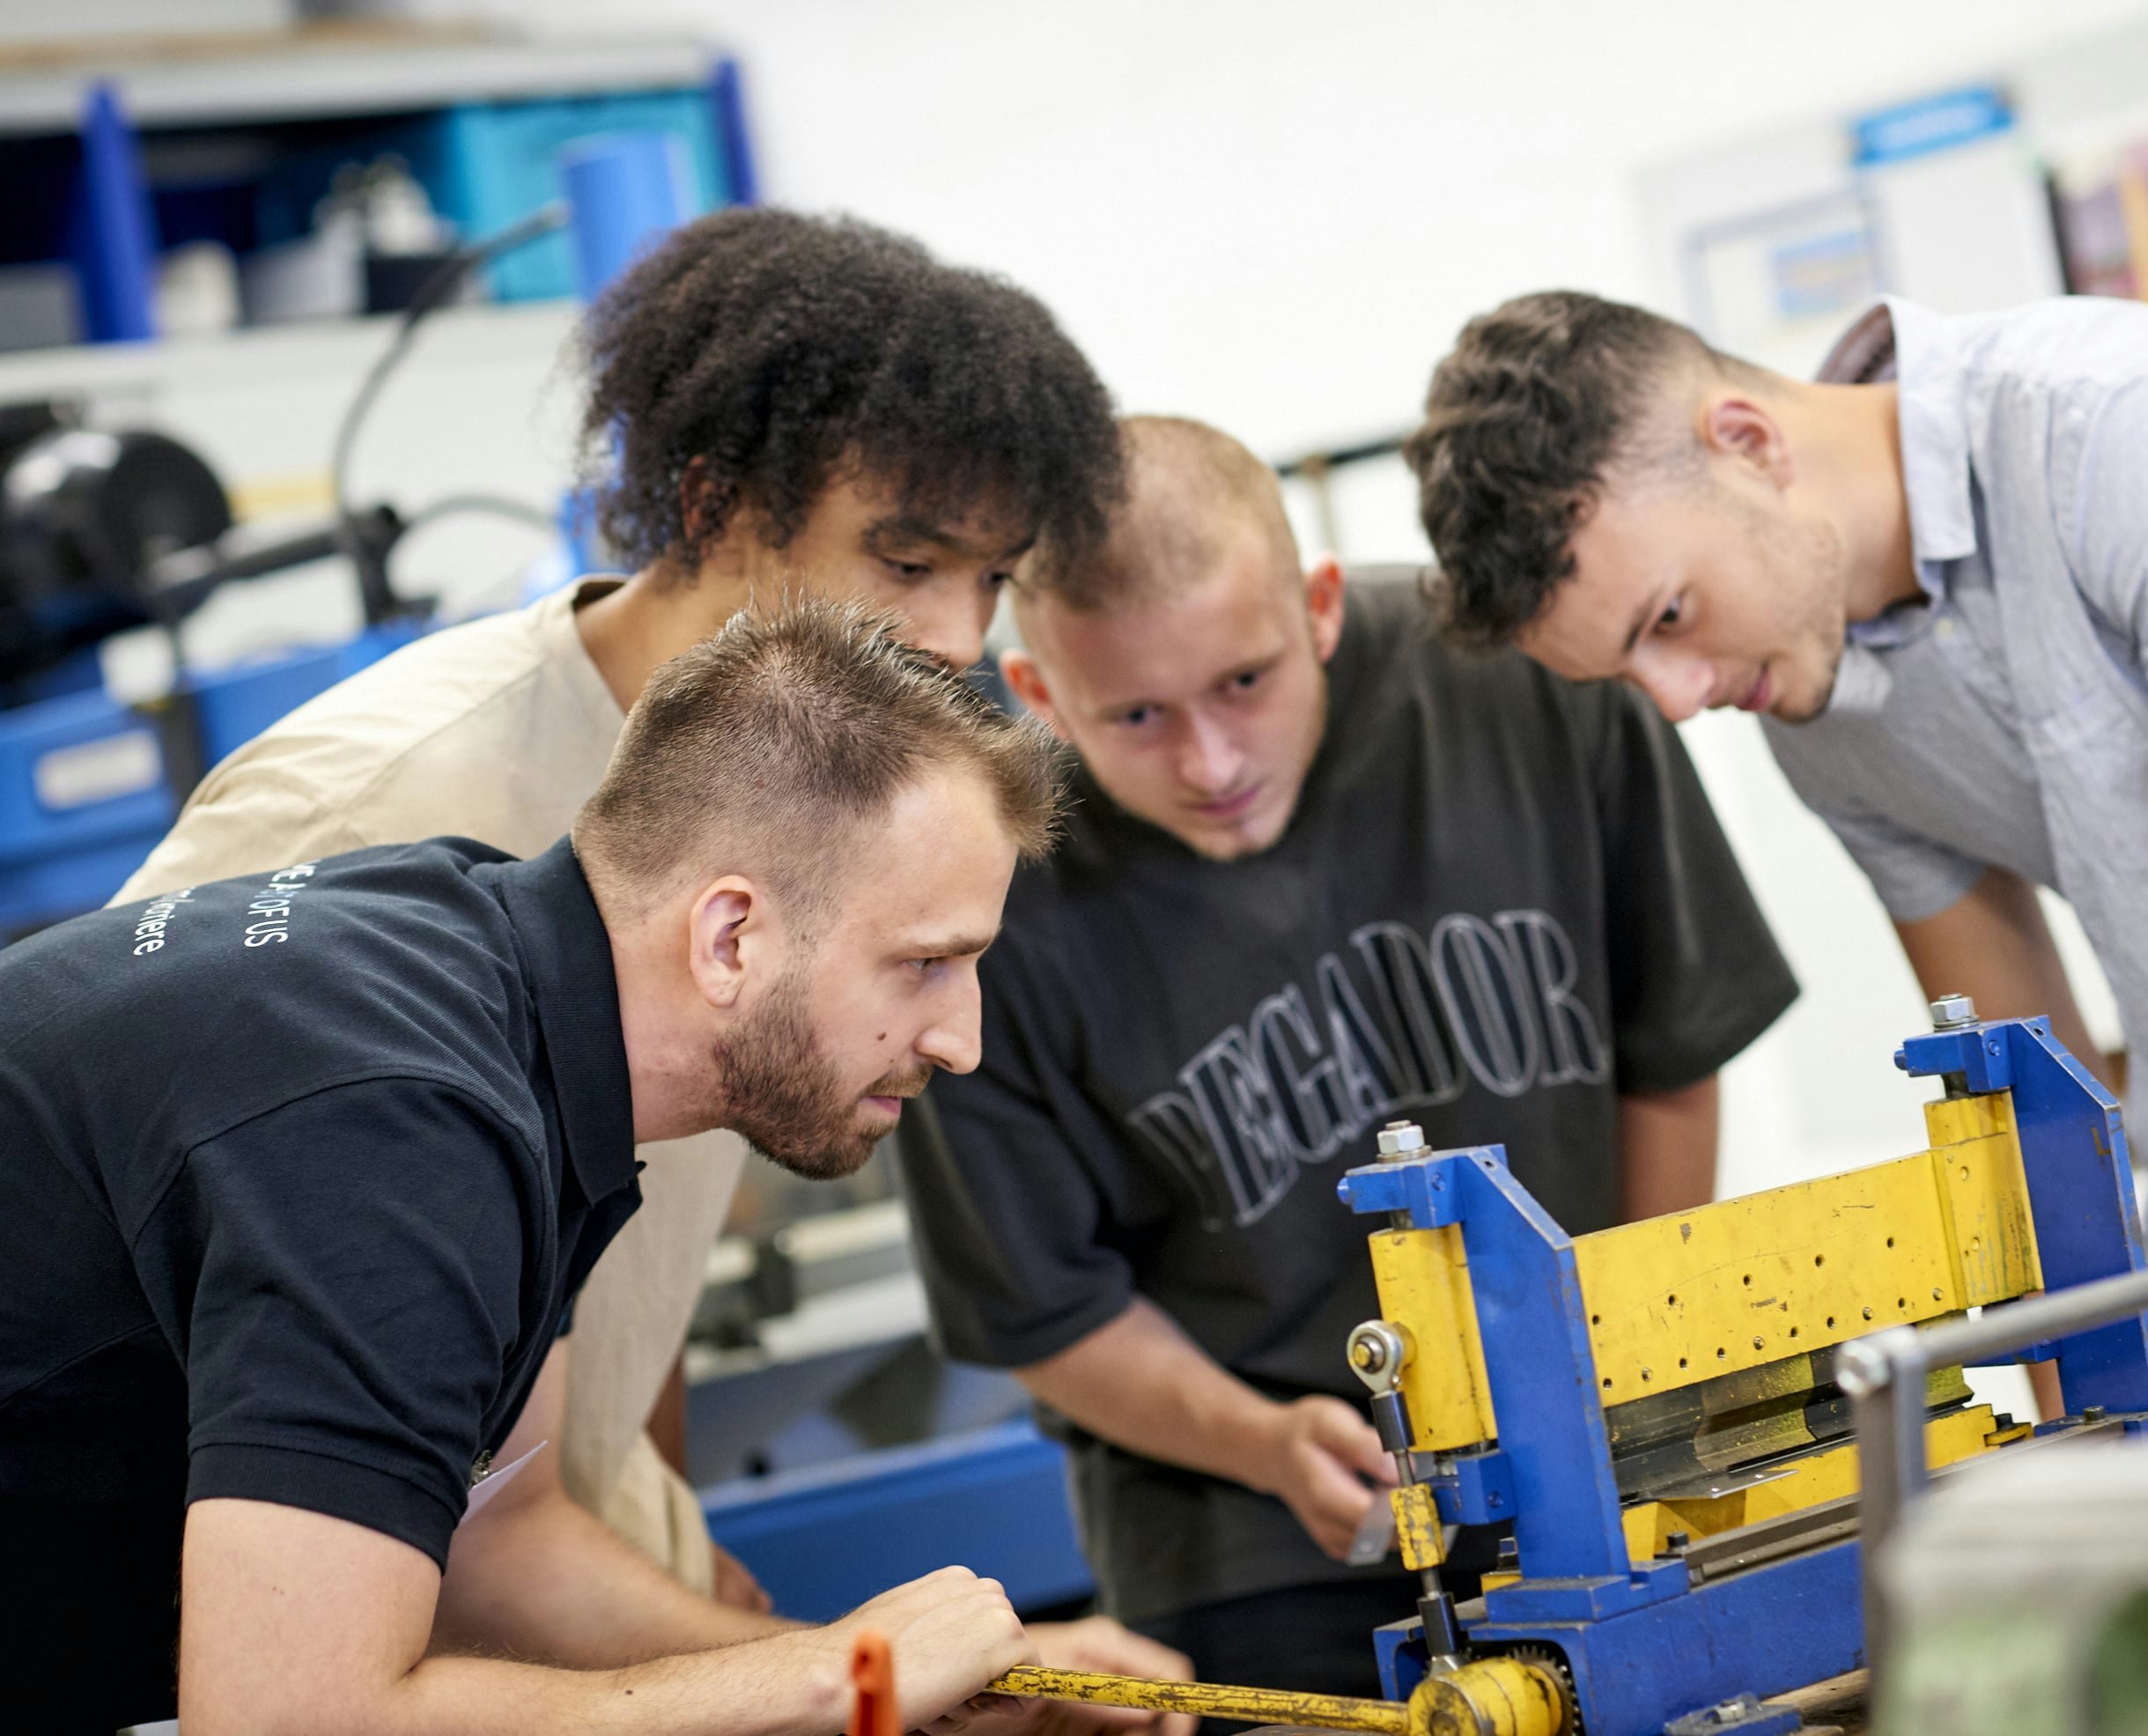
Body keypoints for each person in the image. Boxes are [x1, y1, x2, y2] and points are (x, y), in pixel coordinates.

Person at [111, 206, 1125, 1612]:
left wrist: (666, 1539)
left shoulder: (801, 799)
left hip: (562, 1552)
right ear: (710, 504)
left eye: (991, 578)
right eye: (905, 561)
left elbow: (619, 1246)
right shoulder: (376, 806)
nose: (960, 634)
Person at [1402, 289, 2148, 1432]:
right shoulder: (1817, 709)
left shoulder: (2132, 432)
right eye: (1621, 674)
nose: (1673, 701)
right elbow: (2025, 1076)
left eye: (1667, 618)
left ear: (1748, 439)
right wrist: (2079, 1413)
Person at [3, 602, 1100, 1729]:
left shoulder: (501, 991)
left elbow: (502, 1549)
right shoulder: (408, 1127)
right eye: (924, 962)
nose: (960, 1040)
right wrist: (852, 1683)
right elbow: (284, 1719)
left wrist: (904, 1690)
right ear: (731, 939)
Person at [896, 416, 1797, 1701]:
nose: (1209, 760)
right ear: (1036, 690)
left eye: (1245, 683)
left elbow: (1670, 1046)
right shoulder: (976, 870)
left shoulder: (1524, 675)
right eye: (1137, 714)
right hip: (1248, 1533)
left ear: (1318, 606)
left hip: (1599, 1447)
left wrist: (1624, 1370)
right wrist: (1262, 1442)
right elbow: (1041, 1305)